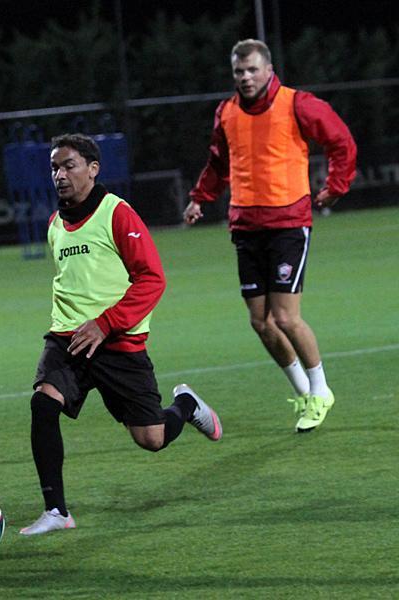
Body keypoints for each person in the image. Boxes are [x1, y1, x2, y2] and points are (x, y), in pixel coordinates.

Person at [21, 133, 222, 536]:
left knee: (152, 438)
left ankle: (185, 404)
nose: (60, 175)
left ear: (93, 169)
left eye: (69, 166)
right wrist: (81, 324)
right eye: (55, 168)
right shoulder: (55, 224)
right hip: (68, 338)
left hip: (118, 342)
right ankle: (56, 510)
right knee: (43, 404)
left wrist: (106, 323)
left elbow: (152, 279)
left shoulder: (117, 214)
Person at [184, 39, 357, 433]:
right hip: (246, 226)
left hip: (288, 223)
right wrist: (199, 199)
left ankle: (321, 390)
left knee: (285, 317)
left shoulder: (298, 104)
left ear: (268, 70)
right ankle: (304, 392)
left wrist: (336, 185)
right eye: (239, 72)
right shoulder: (227, 112)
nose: (245, 77)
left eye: (252, 70)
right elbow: (219, 163)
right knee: (261, 322)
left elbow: (341, 141)